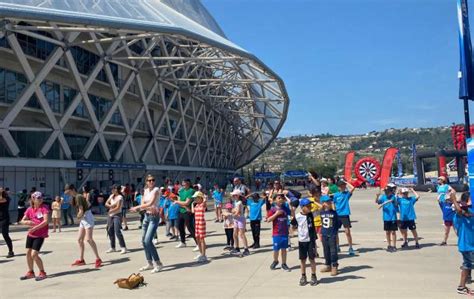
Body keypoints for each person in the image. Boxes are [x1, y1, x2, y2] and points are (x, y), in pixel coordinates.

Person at [130, 174, 163, 274]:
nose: (151, 182)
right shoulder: (145, 190)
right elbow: (147, 205)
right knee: (143, 241)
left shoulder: (156, 190)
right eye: (149, 180)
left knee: (148, 240)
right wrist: (147, 207)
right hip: (147, 216)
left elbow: (150, 203)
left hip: (154, 217)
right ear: (146, 182)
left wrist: (137, 207)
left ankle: (158, 263)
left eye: (153, 180)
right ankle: (149, 263)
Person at [65, 184, 103, 268]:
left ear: (71, 189)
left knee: (89, 239)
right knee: (80, 240)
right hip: (83, 218)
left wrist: (77, 217)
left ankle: (98, 258)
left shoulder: (78, 197)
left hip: (87, 217)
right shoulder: (75, 197)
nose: (66, 192)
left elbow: (81, 210)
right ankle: (81, 259)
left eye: (67, 190)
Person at [19, 191, 49, 281]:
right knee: (28, 254)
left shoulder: (44, 208)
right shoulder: (29, 209)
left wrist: (35, 227)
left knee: (34, 254)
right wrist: (26, 222)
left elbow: (46, 221)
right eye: (38, 198)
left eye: (41, 197)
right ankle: (31, 272)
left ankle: (42, 272)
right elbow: (22, 220)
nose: (40, 199)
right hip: (31, 234)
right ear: (33, 199)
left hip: (40, 235)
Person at [449, 191, 474, 295]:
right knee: (467, 265)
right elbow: (460, 211)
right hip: (467, 245)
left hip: (468, 245)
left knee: (467, 266)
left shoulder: (469, 211)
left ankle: (461, 287)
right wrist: (454, 199)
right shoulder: (459, 214)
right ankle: (461, 286)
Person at [291, 198, 318, 286]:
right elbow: (293, 226)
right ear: (302, 207)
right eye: (308, 206)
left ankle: (313, 276)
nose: (310, 207)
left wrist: (315, 202)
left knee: (312, 259)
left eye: (310, 206)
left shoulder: (311, 214)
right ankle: (303, 276)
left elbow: (321, 209)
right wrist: (291, 232)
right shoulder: (298, 216)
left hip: (310, 240)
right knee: (303, 260)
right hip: (302, 241)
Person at [266, 193, 290, 271]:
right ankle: (275, 260)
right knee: (276, 249)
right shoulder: (273, 209)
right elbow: (268, 220)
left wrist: (291, 206)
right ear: (274, 200)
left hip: (285, 232)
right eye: (279, 198)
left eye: (282, 198)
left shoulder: (285, 208)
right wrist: (276, 214)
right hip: (277, 233)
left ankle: (284, 263)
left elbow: (291, 214)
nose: (281, 199)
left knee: (284, 249)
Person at [333, 180, 356, 255]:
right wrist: (334, 210)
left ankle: (350, 247)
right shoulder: (336, 195)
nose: (343, 187)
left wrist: (346, 182)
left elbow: (353, 188)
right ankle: (337, 246)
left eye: (343, 185)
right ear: (338, 187)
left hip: (345, 214)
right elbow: (333, 203)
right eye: (341, 186)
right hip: (337, 215)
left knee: (347, 232)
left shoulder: (347, 194)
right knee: (336, 232)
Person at [105, 185, 128, 254]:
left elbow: (118, 207)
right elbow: (106, 203)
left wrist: (110, 210)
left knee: (117, 231)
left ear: (117, 189)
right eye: (111, 189)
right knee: (109, 230)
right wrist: (111, 206)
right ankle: (113, 247)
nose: (112, 190)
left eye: (113, 189)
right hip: (110, 215)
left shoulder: (120, 197)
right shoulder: (111, 196)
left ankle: (123, 247)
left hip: (117, 215)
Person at [320, 199, 340, 276]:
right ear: (323, 203)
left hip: (332, 234)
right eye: (326, 202)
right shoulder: (321, 212)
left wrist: (335, 232)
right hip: (324, 234)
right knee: (326, 251)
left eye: (329, 202)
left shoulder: (334, 213)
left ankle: (334, 265)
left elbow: (338, 223)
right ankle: (328, 265)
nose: (328, 204)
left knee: (333, 251)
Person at [375, 184, 398, 252]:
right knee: (387, 232)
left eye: (387, 191)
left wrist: (382, 204)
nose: (386, 193)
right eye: (385, 191)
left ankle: (394, 245)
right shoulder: (383, 197)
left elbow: (390, 201)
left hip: (393, 217)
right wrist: (377, 196)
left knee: (393, 232)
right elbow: (377, 202)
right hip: (386, 217)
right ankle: (389, 245)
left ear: (391, 192)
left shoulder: (393, 197)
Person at [174, 179, 196, 249]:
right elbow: (180, 201)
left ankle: (198, 243)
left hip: (188, 212)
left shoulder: (191, 191)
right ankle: (183, 242)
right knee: (179, 226)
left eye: (184, 184)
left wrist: (178, 202)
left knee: (190, 227)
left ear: (188, 183)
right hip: (182, 211)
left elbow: (187, 202)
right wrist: (181, 204)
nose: (183, 185)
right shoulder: (181, 191)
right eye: (182, 184)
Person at [230, 190, 250, 256]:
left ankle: (246, 249)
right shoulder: (236, 202)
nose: (233, 196)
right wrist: (233, 212)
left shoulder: (239, 202)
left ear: (238, 196)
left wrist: (231, 214)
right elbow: (233, 210)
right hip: (236, 219)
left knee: (241, 234)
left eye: (234, 195)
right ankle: (237, 247)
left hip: (240, 219)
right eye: (233, 195)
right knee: (234, 234)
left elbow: (237, 212)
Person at [437, 176, 455, 246]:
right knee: (445, 213)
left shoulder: (447, 186)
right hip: (442, 202)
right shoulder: (438, 186)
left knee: (453, 226)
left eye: (439, 179)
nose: (438, 180)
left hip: (446, 201)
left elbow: (453, 191)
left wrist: (448, 195)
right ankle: (444, 241)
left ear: (443, 180)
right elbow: (438, 195)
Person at [192, 191, 207, 262]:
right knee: (197, 238)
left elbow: (205, 200)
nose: (195, 199)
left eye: (196, 198)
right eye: (194, 198)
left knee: (201, 239)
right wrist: (192, 204)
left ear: (200, 198)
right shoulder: (197, 205)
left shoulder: (202, 204)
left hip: (201, 223)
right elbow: (192, 211)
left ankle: (204, 255)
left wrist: (203, 198)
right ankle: (201, 254)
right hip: (197, 223)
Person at [0, 188, 14, 257]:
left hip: (4, 218)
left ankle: (10, 251)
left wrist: (1, 192)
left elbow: (1, 200)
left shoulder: (7, 198)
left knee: (5, 234)